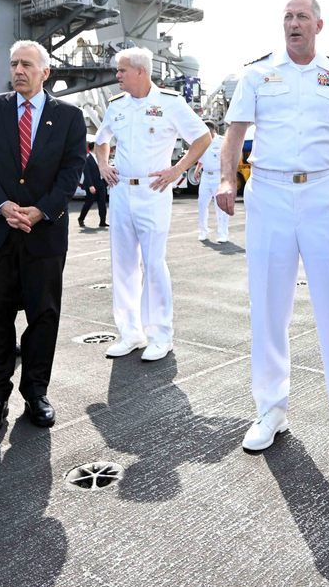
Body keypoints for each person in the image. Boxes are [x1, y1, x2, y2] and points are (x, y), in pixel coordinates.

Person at [216, 0, 329, 458]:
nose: (293, 23)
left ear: (318, 25)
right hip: (268, 193)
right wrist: (228, 180)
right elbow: (234, 136)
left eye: (301, 17)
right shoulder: (257, 74)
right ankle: (271, 409)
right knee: (269, 303)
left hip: (319, 195)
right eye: (287, 17)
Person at [0, 40, 86, 436]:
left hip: (44, 233)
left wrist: (42, 209)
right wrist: (2, 206)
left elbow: (71, 171)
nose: (18, 70)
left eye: (27, 65)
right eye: (13, 63)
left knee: (43, 316)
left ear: (45, 72)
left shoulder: (70, 116)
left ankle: (36, 392)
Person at [94, 47, 210, 362]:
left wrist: (177, 170)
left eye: (122, 70)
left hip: (153, 192)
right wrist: (103, 165)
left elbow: (202, 138)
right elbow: (101, 140)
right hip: (120, 191)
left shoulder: (170, 103)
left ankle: (161, 335)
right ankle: (130, 332)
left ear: (141, 71)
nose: (117, 75)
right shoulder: (117, 106)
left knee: (154, 264)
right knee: (123, 264)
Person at [194, 120, 228, 242]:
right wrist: (197, 169)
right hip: (205, 176)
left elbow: (228, 158)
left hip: (218, 176)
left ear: (213, 130)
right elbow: (201, 158)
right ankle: (203, 231)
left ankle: (223, 234)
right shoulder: (203, 140)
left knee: (220, 206)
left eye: (208, 131)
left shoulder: (222, 141)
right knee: (202, 204)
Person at [77, 141, 108, 229]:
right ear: (94, 147)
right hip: (92, 185)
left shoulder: (100, 157)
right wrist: (90, 185)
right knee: (89, 203)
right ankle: (81, 218)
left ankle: (102, 221)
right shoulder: (87, 158)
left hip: (101, 183)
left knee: (102, 203)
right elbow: (87, 173)